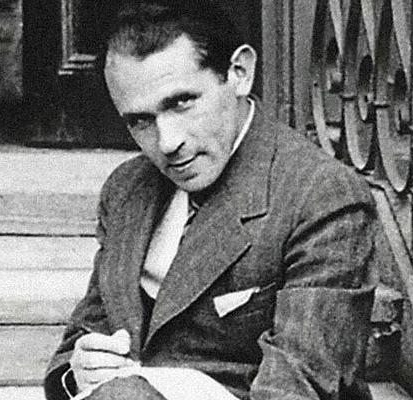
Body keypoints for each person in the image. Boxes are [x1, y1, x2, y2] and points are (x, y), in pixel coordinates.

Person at [44, 1, 386, 399]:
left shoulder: (320, 196)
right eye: (140, 121)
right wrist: (82, 369)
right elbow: (80, 339)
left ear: (239, 73)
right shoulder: (127, 190)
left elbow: (300, 385)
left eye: (181, 102)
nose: (167, 142)